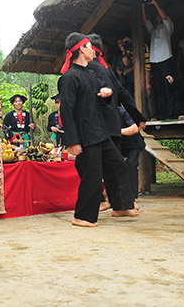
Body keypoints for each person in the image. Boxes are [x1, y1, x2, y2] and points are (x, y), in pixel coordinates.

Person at [58, 32, 139, 228]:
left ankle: (121, 206)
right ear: (81, 49)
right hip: (86, 135)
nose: (93, 51)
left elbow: (99, 103)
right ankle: (82, 216)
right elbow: (66, 110)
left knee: (119, 166)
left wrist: (106, 95)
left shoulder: (91, 74)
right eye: (89, 47)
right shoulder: (69, 78)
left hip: (101, 132)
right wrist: (72, 141)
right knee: (92, 176)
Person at [87, 34, 145, 213]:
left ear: (91, 50)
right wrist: (138, 117)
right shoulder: (107, 71)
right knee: (112, 167)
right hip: (111, 126)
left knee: (105, 168)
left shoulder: (90, 70)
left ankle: (120, 204)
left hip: (100, 127)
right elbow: (124, 94)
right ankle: (119, 205)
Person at [142, 0, 176, 119]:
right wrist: (142, 5)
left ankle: (171, 113)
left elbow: (164, 17)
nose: (157, 16)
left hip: (166, 60)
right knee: (159, 88)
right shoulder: (153, 29)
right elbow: (145, 21)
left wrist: (155, 3)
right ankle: (163, 113)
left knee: (168, 87)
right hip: (154, 62)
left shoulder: (168, 27)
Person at [118, 106, 146, 200]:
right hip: (119, 144)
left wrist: (116, 131)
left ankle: (132, 195)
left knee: (131, 164)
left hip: (134, 144)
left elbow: (134, 129)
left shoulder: (123, 112)